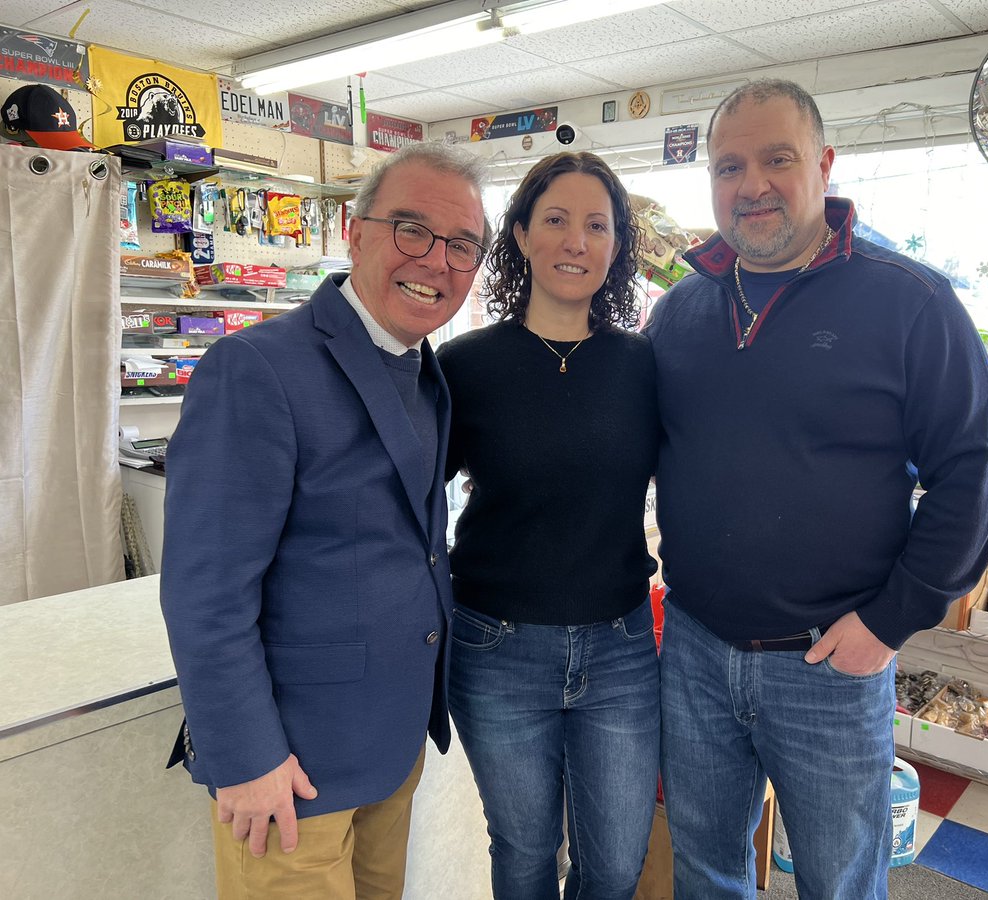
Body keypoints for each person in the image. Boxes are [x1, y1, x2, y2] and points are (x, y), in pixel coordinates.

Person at [644, 79, 988, 899]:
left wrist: (889, 621)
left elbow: (976, 473)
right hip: (696, 650)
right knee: (705, 867)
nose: (753, 184)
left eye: (778, 158)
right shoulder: (681, 312)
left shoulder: (910, 300)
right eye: (729, 166)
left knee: (839, 880)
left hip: (831, 664)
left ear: (825, 165)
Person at [159, 142, 490, 899]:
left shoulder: (425, 371)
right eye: (411, 228)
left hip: (389, 748)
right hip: (288, 772)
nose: (436, 259)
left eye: (462, 245)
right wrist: (245, 758)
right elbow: (206, 591)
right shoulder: (257, 369)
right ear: (356, 230)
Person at [436, 151, 659, 900]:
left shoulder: (644, 366)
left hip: (622, 649)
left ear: (617, 246)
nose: (576, 241)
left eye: (597, 226)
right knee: (526, 854)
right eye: (556, 220)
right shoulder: (464, 365)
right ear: (523, 235)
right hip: (497, 648)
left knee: (616, 866)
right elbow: (404, 493)